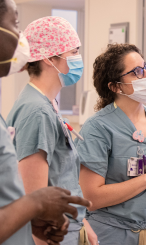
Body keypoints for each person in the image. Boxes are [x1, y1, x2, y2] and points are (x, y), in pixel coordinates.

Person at [75, 43, 146, 245]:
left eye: (145, 67)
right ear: (115, 86)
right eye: (136, 72)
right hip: (112, 235)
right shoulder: (98, 128)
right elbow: (90, 198)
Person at [0, 0, 91, 244]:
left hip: (65, 229)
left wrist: (83, 224)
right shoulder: (36, 111)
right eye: (73, 52)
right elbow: (34, 200)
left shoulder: (45, 104)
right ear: (50, 58)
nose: (78, 58)